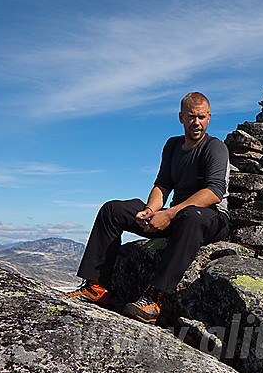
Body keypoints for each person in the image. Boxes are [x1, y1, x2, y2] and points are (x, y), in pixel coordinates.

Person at [64, 92, 230, 324]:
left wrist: (169, 214)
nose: (196, 122)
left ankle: (155, 297)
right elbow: (162, 185)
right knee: (112, 210)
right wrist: (152, 211)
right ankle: (96, 287)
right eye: (191, 116)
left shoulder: (215, 148)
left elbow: (214, 192)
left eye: (202, 117)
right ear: (181, 117)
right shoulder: (172, 146)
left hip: (211, 219)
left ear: (209, 117)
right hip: (177, 216)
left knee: (191, 215)